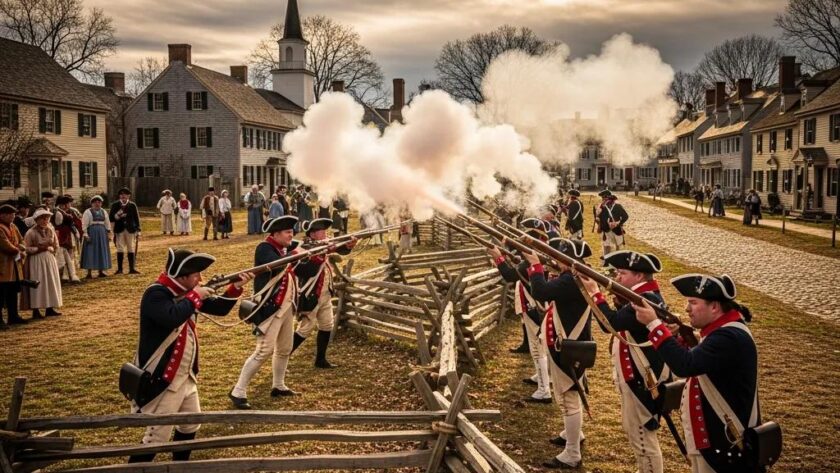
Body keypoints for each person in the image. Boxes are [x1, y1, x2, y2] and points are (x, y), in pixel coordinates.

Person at [126, 249, 253, 464]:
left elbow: (219, 309)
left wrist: (235, 287)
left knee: (190, 425)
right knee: (156, 437)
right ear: (182, 276)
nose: (200, 279)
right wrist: (196, 295)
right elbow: (171, 317)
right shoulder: (156, 294)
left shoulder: (186, 294)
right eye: (196, 275)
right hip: (164, 377)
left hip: (186, 375)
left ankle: (180, 467)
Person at [633, 274, 760, 473]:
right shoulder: (721, 332)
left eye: (693, 302)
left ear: (715, 306)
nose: (687, 308)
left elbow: (685, 365)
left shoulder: (728, 336)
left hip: (726, 442)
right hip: (713, 440)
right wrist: (676, 337)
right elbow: (699, 357)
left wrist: (654, 325)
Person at [578, 250, 671, 473]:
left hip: (642, 380)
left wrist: (595, 293)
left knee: (642, 435)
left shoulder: (644, 300)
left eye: (622, 273)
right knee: (636, 431)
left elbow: (609, 323)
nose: (617, 278)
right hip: (638, 377)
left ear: (639, 277)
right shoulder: (645, 296)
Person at [523, 238, 594, 469]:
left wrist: (535, 266)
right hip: (572, 344)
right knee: (570, 396)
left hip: (569, 347)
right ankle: (573, 434)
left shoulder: (570, 281)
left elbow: (540, 291)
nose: (556, 260)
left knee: (568, 400)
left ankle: (572, 453)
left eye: (560, 257)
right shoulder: (575, 277)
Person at [230, 215, 301, 408]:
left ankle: (278, 385)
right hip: (270, 307)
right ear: (275, 234)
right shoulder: (264, 248)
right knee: (263, 351)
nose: (291, 235)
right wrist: (296, 252)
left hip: (286, 306)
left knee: (285, 349)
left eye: (291, 231)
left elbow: (311, 245)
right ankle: (238, 391)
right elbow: (276, 266)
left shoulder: (283, 247)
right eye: (287, 232)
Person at [487, 218, 553, 403]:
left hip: (534, 309)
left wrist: (498, 257)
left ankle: (543, 389)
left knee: (536, 349)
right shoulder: (542, 257)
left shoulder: (529, 263)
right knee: (541, 347)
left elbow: (509, 275)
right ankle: (542, 378)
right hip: (540, 308)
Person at [291, 218, 357, 368]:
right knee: (305, 329)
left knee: (327, 325)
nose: (326, 233)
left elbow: (341, 249)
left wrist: (349, 245)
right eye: (322, 231)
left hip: (326, 293)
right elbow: (307, 270)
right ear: (313, 234)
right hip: (311, 294)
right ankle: (284, 356)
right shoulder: (303, 248)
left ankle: (320, 359)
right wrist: (323, 252)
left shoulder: (322, 244)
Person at [21, 208, 62, 318]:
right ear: (37, 219)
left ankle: (50, 307)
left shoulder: (50, 230)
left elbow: (56, 245)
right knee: (39, 284)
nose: (45, 221)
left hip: (49, 260)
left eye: (47, 218)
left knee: (49, 282)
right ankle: (36, 309)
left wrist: (51, 250)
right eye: (43, 218)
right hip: (36, 261)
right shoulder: (31, 232)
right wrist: (38, 249)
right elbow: (26, 248)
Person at [0, 203, 27, 328]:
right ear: (2, 215)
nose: (13, 216)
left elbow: (22, 240)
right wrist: (18, 250)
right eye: (10, 214)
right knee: (1, 294)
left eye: (13, 214)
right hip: (3, 265)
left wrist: (21, 247)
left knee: (13, 292)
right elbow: (5, 245)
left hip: (14, 266)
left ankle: (13, 316)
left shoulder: (13, 226)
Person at [109, 188, 141, 274]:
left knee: (131, 248)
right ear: (119, 196)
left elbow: (136, 218)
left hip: (130, 229)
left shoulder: (132, 205)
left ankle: (132, 269)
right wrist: (118, 216)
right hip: (119, 229)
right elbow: (111, 217)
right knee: (120, 248)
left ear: (128, 196)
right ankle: (120, 269)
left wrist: (138, 230)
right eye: (121, 194)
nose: (123, 196)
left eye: (125, 194)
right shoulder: (115, 205)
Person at [52, 195, 82, 283]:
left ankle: (71, 275)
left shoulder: (65, 212)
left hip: (68, 236)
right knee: (62, 258)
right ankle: (64, 276)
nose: (70, 205)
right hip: (63, 237)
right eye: (68, 203)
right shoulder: (59, 213)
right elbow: (58, 225)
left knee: (69, 256)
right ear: (64, 204)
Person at [80, 196, 112, 279]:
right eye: (95, 202)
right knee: (90, 251)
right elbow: (84, 224)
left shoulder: (104, 212)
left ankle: (101, 271)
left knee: (101, 250)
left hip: (102, 233)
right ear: (92, 203)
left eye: (99, 202)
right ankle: (89, 273)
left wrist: (108, 234)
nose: (97, 204)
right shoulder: (87, 212)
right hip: (92, 233)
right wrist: (86, 234)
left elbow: (107, 223)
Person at [596, 190, 629, 261]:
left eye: (606, 199)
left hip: (617, 230)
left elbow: (625, 216)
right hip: (606, 231)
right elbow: (597, 217)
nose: (604, 201)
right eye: (603, 199)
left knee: (619, 247)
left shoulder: (618, 206)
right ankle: (607, 262)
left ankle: (618, 263)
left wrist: (618, 223)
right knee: (606, 246)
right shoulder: (602, 207)